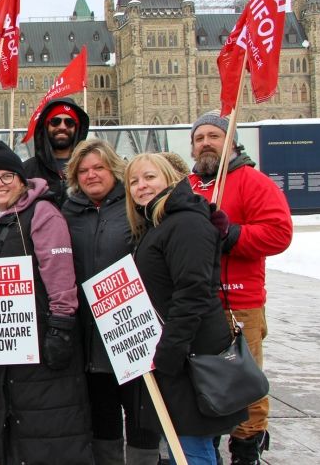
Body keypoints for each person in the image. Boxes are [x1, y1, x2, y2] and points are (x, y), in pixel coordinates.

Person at [0, 141, 91, 464]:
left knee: (44, 431)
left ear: (21, 180)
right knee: (11, 426)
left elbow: (59, 272)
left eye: (7, 177)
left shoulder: (42, 213)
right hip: (5, 343)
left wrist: (61, 325)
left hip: (41, 339)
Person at [124, 153, 248, 465]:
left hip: (188, 353)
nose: (141, 186)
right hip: (177, 351)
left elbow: (192, 293)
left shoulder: (185, 222)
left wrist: (169, 351)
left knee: (191, 447)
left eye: (149, 177)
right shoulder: (159, 222)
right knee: (185, 443)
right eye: (134, 181)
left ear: (169, 177)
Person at [187, 111, 293, 464]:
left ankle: (246, 447)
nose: (206, 143)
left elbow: (279, 233)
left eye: (213, 137)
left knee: (243, 381)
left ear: (230, 142)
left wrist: (232, 235)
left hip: (239, 302)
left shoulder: (251, 181)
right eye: (199, 138)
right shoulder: (188, 185)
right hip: (197, 303)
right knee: (202, 382)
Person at [62, 139, 160, 465]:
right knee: (102, 424)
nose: (91, 175)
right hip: (90, 341)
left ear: (113, 168)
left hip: (133, 335)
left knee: (143, 422)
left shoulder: (136, 205)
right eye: (84, 170)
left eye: (98, 168)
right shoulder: (69, 211)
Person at [23, 98, 90, 207]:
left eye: (69, 122)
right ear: (46, 126)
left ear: (76, 128)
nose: (62, 127)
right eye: (55, 122)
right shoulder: (27, 171)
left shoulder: (90, 169)